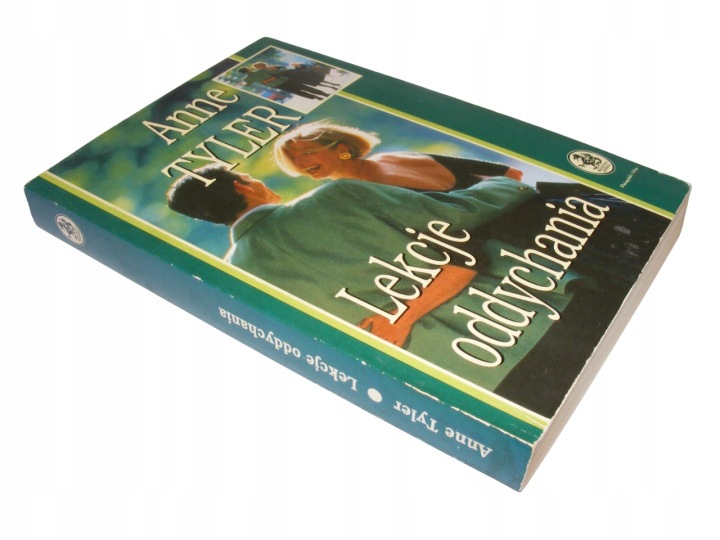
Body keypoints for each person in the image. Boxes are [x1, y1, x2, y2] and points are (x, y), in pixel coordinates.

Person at [166, 164, 610, 416]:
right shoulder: (333, 196)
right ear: (242, 183)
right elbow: (463, 214)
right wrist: (500, 180)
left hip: (474, 387)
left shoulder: (238, 278)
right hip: (535, 318)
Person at [273, 121, 525, 191]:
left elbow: (509, 172)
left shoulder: (370, 189)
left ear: (341, 149)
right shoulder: (395, 156)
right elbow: (510, 173)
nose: (301, 163)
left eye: (308, 152)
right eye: (293, 159)